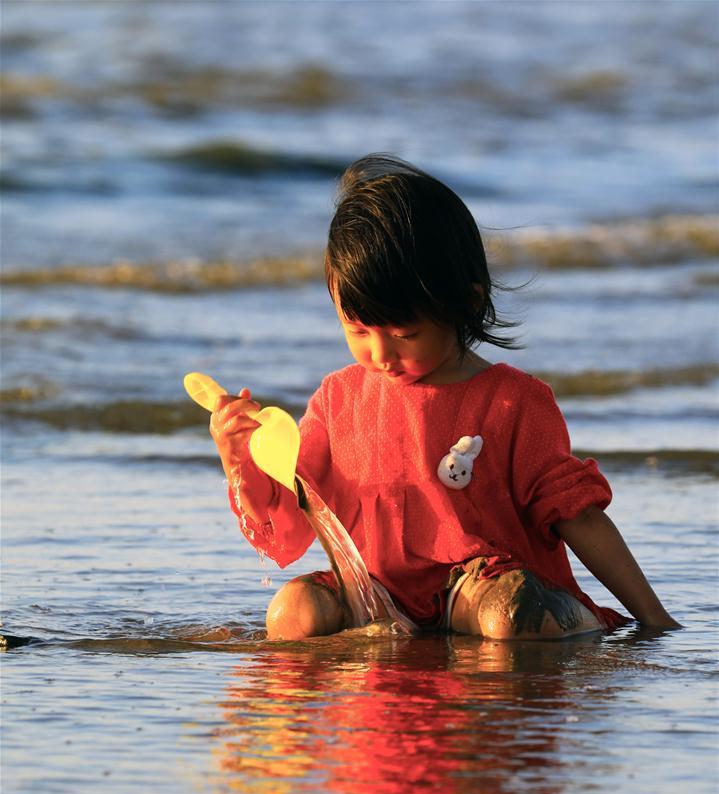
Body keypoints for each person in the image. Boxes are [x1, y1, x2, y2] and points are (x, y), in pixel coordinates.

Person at [210, 154, 680, 641]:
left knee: (512, 616)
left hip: (479, 587)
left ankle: (564, 624)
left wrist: (654, 619)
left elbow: (578, 516)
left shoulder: (513, 402)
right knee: (292, 613)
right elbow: (288, 528)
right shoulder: (338, 400)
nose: (380, 352)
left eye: (405, 333)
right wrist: (240, 461)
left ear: (467, 301)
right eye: (357, 329)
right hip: (374, 593)